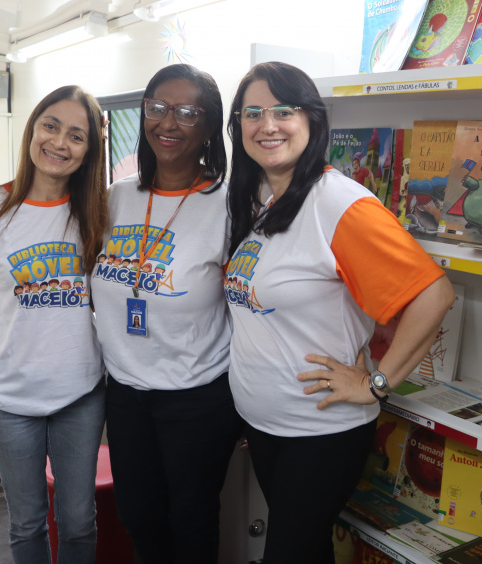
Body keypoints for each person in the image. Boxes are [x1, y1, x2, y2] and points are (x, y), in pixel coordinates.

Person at [225, 62, 455, 564]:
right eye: (253, 113)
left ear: (312, 120)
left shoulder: (339, 204)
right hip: (266, 426)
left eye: (284, 111)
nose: (268, 125)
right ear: (237, 125)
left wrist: (376, 383)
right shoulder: (261, 200)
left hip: (319, 434)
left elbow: (433, 295)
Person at [0, 85, 108, 564]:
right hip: (5, 397)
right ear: (32, 130)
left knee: (79, 519)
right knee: (27, 521)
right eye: (51, 126)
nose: (60, 142)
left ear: (89, 151)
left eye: (77, 136)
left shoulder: (100, 214)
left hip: (79, 393)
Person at [91, 64, 240, 564]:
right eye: (157, 108)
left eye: (186, 111)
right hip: (127, 395)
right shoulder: (116, 198)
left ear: (208, 125)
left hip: (198, 397)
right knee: (138, 514)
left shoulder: (230, 205)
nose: (167, 122)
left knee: (192, 517)